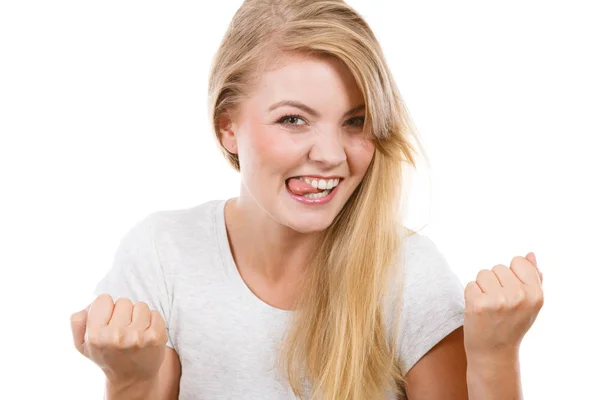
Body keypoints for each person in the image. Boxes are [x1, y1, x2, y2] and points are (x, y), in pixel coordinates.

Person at [70, 1, 545, 399]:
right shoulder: (163, 253)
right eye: (294, 120)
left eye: (355, 122)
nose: (331, 155)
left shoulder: (407, 275)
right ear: (227, 126)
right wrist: (128, 379)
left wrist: (495, 357)